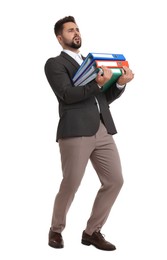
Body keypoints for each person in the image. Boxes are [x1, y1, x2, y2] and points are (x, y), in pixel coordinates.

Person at [44, 15, 134, 251]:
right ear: (59, 37)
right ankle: (56, 229)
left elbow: (103, 99)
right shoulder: (55, 63)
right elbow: (66, 94)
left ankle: (91, 232)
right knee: (71, 183)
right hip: (75, 132)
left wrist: (120, 83)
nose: (76, 33)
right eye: (70, 30)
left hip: (102, 129)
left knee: (115, 180)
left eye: (77, 29)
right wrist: (96, 83)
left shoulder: (92, 62)